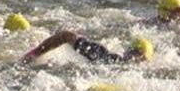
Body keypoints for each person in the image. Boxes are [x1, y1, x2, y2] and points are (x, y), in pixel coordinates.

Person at [22, 29, 155, 64]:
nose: (136, 59)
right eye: (136, 54)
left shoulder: (111, 58)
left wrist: (35, 53)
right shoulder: (109, 58)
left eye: (141, 57)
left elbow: (66, 35)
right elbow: (66, 36)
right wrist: (35, 53)